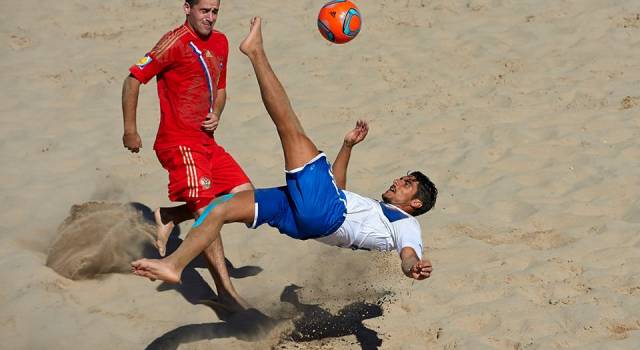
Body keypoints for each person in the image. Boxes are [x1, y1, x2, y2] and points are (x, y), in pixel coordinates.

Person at [131, 17, 437, 285]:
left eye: (407, 184)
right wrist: (347, 146)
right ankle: (174, 265)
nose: (398, 182)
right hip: (307, 222)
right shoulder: (378, 214)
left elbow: (408, 254)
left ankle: (255, 52)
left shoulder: (407, 225)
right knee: (221, 207)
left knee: (290, 128)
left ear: (416, 203)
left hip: (325, 214)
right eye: (402, 178)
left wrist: (412, 268)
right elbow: (337, 188)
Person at [121, 0, 252, 309]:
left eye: (215, 11)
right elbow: (132, 79)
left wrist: (216, 113)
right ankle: (227, 294)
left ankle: (171, 215)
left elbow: (220, 89)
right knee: (207, 212)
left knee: (246, 197)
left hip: (207, 142)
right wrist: (130, 130)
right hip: (179, 142)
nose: (210, 17)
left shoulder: (220, 42)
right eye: (204, 10)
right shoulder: (175, 41)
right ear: (187, 8)